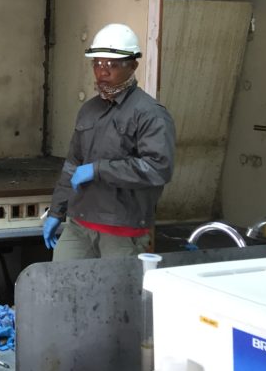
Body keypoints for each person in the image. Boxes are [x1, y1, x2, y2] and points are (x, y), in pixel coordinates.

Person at [43, 23, 176, 260]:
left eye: (111, 65)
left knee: (116, 286)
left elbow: (158, 168)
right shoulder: (89, 110)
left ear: (133, 66)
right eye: (97, 63)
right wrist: (56, 211)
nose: (102, 72)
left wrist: (98, 170)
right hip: (79, 226)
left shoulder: (149, 113)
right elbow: (72, 165)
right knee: (61, 282)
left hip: (122, 232)